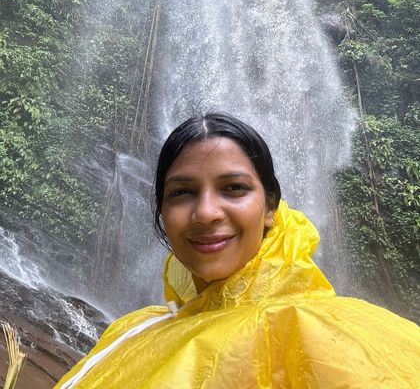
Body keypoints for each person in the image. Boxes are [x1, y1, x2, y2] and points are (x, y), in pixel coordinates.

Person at [56, 113, 420, 388]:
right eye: (182, 192)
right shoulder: (134, 327)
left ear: (270, 207)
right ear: (161, 209)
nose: (207, 213)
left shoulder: (325, 331)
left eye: (233, 187)